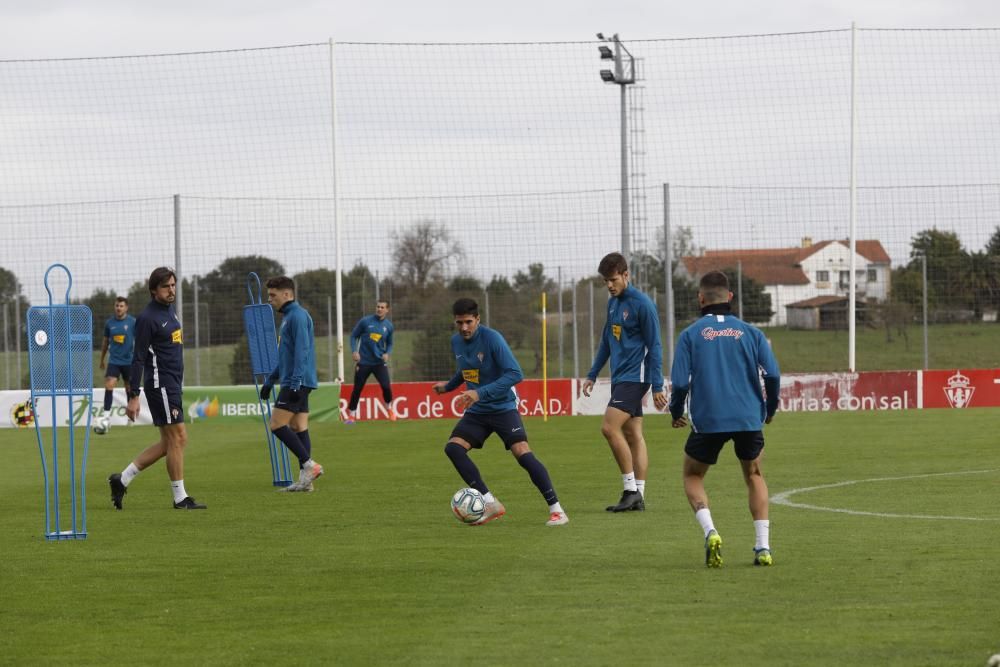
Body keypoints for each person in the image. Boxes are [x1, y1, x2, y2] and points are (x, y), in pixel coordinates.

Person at [668, 270, 780, 568]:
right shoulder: (752, 333)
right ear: (730, 297)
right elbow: (773, 374)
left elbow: (679, 383)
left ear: (700, 299)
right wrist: (770, 409)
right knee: (754, 476)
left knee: (693, 476)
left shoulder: (690, 335)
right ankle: (763, 547)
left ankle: (711, 531)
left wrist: (676, 411)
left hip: (709, 420)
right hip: (748, 418)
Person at [433, 298, 568, 526]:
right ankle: (489, 502)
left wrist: (479, 393)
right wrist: (448, 386)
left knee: (522, 453)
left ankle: (557, 510)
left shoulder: (492, 339)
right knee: (453, 448)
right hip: (478, 411)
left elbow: (515, 374)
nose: (464, 328)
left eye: (468, 322)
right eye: (459, 323)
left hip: (503, 407)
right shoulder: (456, 341)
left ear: (477, 319)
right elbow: (465, 370)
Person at [108, 267, 206, 510]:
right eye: (166, 286)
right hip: (160, 385)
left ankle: (123, 479)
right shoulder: (147, 318)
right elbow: (138, 358)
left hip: (172, 384)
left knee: (170, 442)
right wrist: (133, 396)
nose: (171, 290)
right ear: (154, 291)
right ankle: (180, 498)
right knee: (179, 438)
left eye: (173, 285)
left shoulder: (170, 311)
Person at [581, 252, 667, 513]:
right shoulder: (613, 304)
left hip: (636, 377)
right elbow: (607, 341)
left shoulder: (643, 304)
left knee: (609, 428)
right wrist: (593, 373)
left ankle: (630, 490)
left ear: (626, 275)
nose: (609, 285)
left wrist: (657, 385)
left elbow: (655, 346)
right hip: (621, 377)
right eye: (606, 280)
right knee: (633, 434)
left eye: (614, 279)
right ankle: (639, 495)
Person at [260, 276, 325, 492]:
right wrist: (270, 381)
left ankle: (310, 465)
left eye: (273, 295)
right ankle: (305, 482)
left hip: (296, 381)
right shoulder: (289, 317)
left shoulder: (297, 316)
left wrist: (295, 381)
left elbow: (302, 351)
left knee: (276, 425)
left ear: (286, 294)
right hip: (296, 380)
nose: (270, 299)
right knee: (299, 427)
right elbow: (285, 356)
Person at [345, 300, 395, 423]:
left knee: (386, 387)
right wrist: (354, 351)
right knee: (357, 389)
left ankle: (389, 409)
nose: (379, 309)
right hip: (364, 362)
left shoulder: (389, 326)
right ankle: (351, 415)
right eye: (378, 306)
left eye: (382, 307)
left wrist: (387, 353)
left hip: (379, 362)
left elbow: (390, 343)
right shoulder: (365, 321)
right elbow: (353, 336)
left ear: (387, 310)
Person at [95, 296, 136, 433]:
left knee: (129, 388)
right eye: (117, 306)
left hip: (129, 361)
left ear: (126, 308)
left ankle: (131, 418)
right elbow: (105, 342)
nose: (119, 308)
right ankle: (106, 418)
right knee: (109, 384)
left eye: (121, 306)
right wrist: (102, 359)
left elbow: (140, 339)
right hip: (114, 361)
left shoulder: (132, 322)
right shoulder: (109, 323)